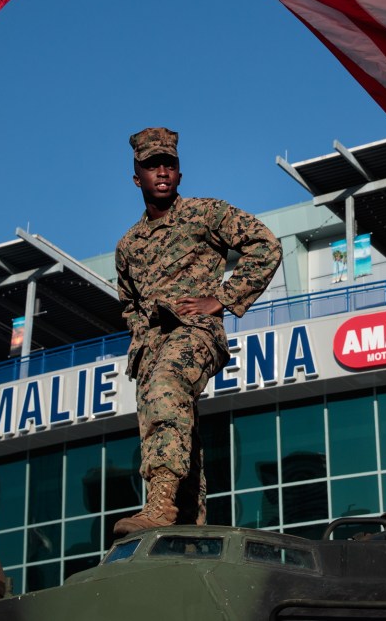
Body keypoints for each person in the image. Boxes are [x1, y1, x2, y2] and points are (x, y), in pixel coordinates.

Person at [112, 127, 281, 534]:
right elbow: (129, 304)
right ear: (137, 178)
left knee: (167, 389)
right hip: (152, 347)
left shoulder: (205, 213)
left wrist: (222, 298)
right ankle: (184, 530)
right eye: (153, 166)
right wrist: (141, 338)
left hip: (195, 332)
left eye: (169, 164)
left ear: (180, 174)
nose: (163, 172)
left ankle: (158, 507)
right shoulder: (128, 244)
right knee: (170, 422)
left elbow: (266, 245)